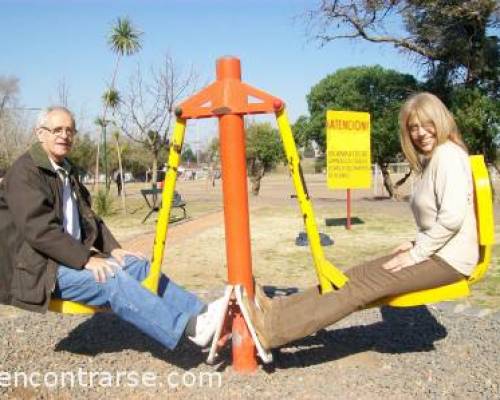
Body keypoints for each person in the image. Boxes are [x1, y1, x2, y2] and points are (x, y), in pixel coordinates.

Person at [244, 92, 478, 350]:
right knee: (353, 277)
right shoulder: (434, 159)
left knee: (360, 288)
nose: (421, 133)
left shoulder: (447, 155)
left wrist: (416, 253)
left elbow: (453, 218)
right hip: (437, 252)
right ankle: (276, 311)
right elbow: (442, 216)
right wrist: (414, 244)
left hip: (448, 260)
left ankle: (271, 333)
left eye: (427, 124)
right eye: (414, 127)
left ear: (441, 121)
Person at [0, 106, 222, 351]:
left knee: (138, 266)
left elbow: (89, 217)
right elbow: (39, 231)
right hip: (40, 269)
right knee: (110, 278)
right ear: (40, 133)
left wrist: (114, 249)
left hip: (66, 258)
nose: (64, 135)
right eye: (57, 130)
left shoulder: (65, 170)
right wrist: (86, 259)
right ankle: (192, 328)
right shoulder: (25, 173)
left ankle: (204, 312)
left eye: (69, 130)